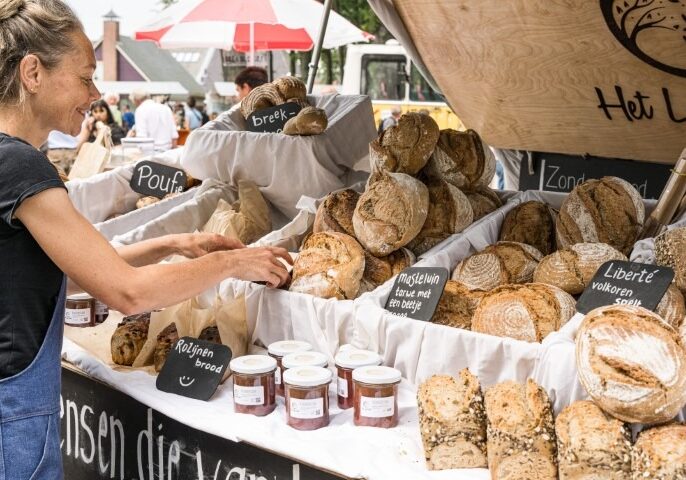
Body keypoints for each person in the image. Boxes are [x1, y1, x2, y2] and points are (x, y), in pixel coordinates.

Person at [0, 2, 291, 478]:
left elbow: (66, 273)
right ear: (33, 72)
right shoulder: (20, 167)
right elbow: (125, 291)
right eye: (85, 77)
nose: (95, 93)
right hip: (11, 421)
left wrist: (173, 244)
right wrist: (234, 264)